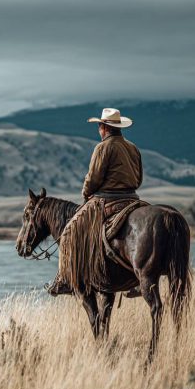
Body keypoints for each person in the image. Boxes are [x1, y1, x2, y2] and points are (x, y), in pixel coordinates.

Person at [45, 108, 143, 296]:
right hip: (132, 197)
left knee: (69, 232)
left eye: (99, 125)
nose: (99, 129)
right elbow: (138, 179)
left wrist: (86, 192)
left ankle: (64, 279)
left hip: (106, 199)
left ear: (104, 127)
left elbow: (94, 177)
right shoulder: (133, 147)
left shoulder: (103, 147)